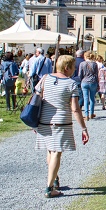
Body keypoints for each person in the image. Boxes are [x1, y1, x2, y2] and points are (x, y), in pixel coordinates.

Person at [35, 54, 89, 198]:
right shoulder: (71, 84)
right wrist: (83, 128)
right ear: (67, 68)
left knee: (50, 150)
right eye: (73, 67)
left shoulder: (45, 78)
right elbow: (75, 109)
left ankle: (54, 178)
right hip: (61, 121)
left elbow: (36, 99)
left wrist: (34, 121)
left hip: (44, 120)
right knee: (57, 152)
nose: (75, 70)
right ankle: (49, 187)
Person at [77, 51, 99, 120]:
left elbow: (80, 74)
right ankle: (91, 113)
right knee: (92, 98)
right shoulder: (95, 64)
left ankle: (86, 115)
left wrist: (81, 80)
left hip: (84, 81)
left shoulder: (82, 64)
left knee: (85, 98)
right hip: (93, 82)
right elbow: (96, 74)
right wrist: (97, 83)